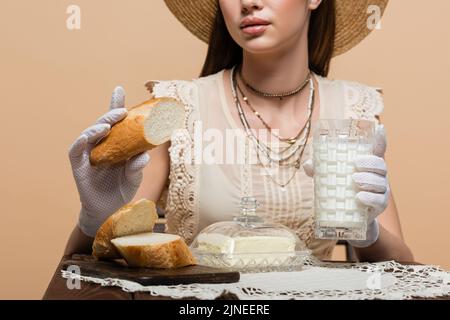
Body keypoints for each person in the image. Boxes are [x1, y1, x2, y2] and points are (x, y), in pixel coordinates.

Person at [65, 0, 413, 262]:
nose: (248, 2)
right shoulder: (175, 109)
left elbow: (404, 271)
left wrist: (369, 233)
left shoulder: (355, 110)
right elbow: (89, 265)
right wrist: (94, 219)